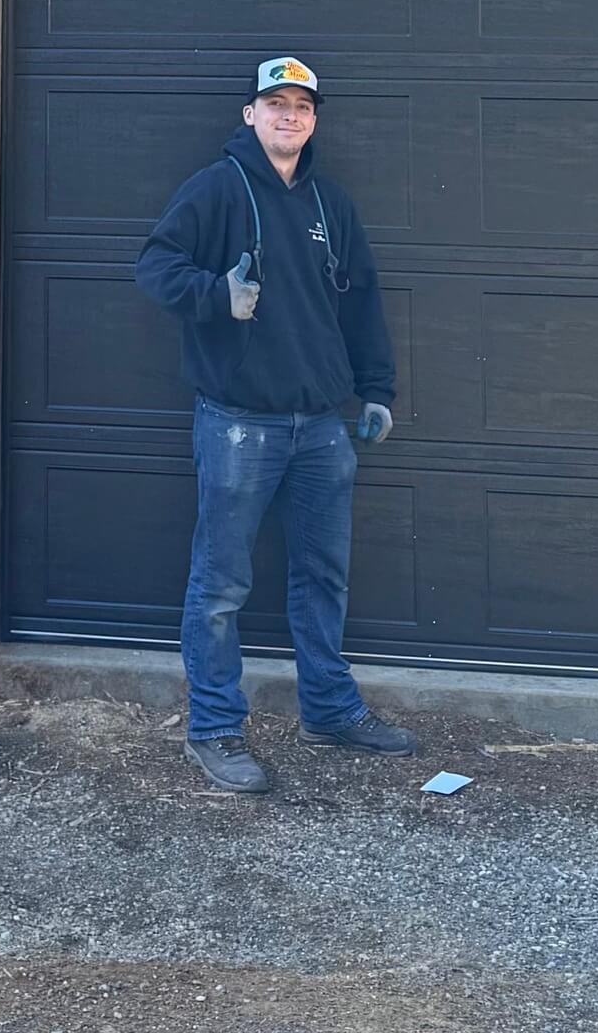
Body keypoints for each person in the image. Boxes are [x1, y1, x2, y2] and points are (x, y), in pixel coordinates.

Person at [136, 55, 415, 793]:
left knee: (322, 576)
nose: (288, 116)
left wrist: (376, 389)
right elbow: (154, 265)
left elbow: (361, 304)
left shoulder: (331, 205)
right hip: (238, 424)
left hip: (322, 427)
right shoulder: (216, 189)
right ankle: (215, 728)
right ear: (249, 113)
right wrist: (213, 294)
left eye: (301, 105)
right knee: (221, 584)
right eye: (275, 103)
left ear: (313, 119)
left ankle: (328, 709)